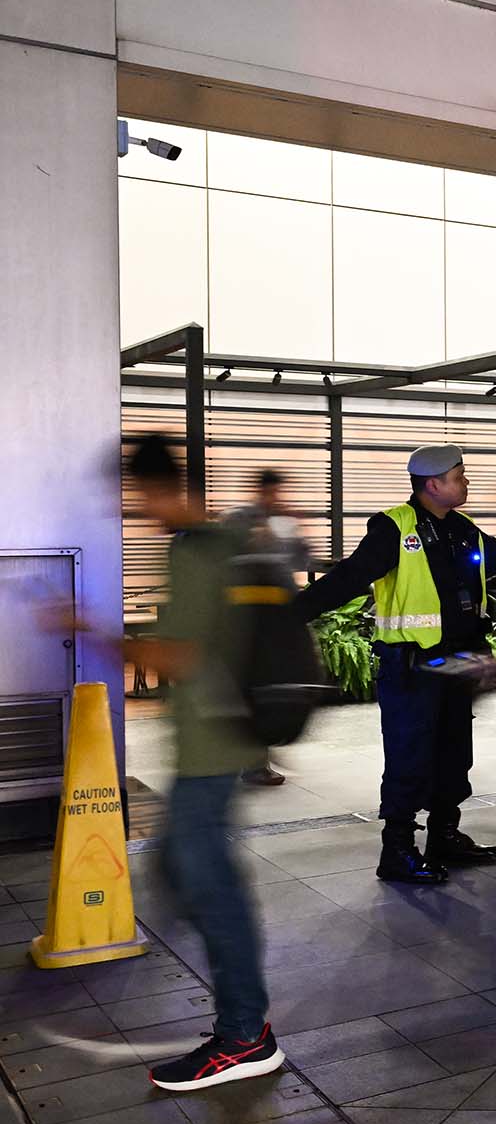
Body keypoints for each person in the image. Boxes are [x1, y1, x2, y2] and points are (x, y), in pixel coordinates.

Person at [293, 444, 496, 884]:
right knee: (409, 756)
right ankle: (397, 851)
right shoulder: (392, 528)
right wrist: (290, 613)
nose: (466, 482)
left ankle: (444, 835)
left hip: (458, 665)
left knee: (454, 754)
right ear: (433, 484)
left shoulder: (464, 530)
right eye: (460, 476)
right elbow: (349, 576)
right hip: (411, 667)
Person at [125, 437, 284, 1090]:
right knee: (180, 867)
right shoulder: (217, 542)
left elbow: (181, 656)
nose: (139, 510)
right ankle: (243, 1005)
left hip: (211, 750)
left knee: (205, 882)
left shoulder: (195, 551)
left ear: (157, 490)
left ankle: (245, 1033)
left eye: (139, 498)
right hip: (218, 741)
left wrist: (98, 631)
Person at [225, 469, 308, 788]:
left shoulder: (285, 523)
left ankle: (256, 756)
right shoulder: (238, 519)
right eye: (271, 492)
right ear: (261, 491)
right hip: (244, 617)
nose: (276, 498)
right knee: (247, 686)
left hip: (276, 619)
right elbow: (227, 562)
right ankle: (251, 760)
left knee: (267, 685)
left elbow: (300, 561)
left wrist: (299, 528)